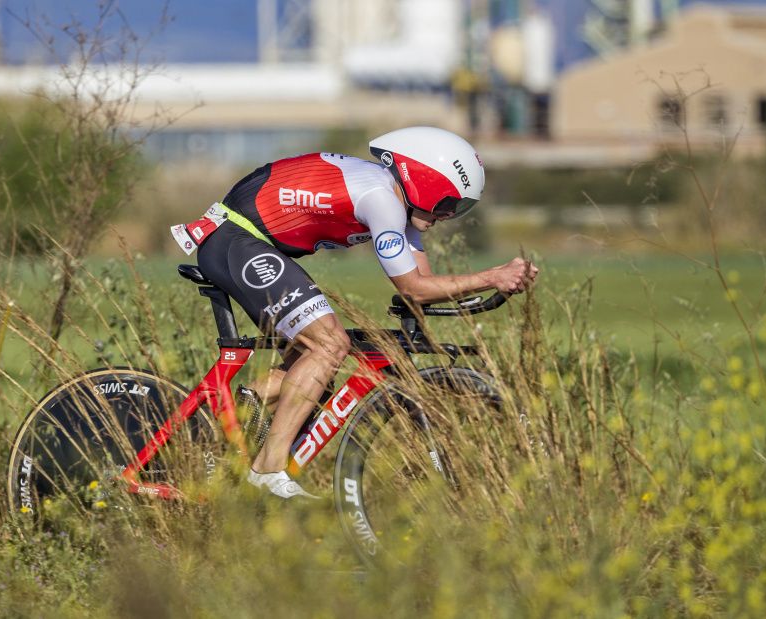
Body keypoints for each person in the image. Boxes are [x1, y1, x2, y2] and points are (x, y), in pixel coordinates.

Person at [172, 126, 538, 500]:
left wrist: (490, 290)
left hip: (253, 243)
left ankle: (250, 403)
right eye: (449, 203)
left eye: (460, 209)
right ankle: (267, 470)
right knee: (330, 345)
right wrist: (492, 276)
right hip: (236, 240)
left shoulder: (401, 206)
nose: (449, 215)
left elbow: (424, 285)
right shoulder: (383, 199)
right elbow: (412, 288)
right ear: (424, 182)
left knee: (316, 367)